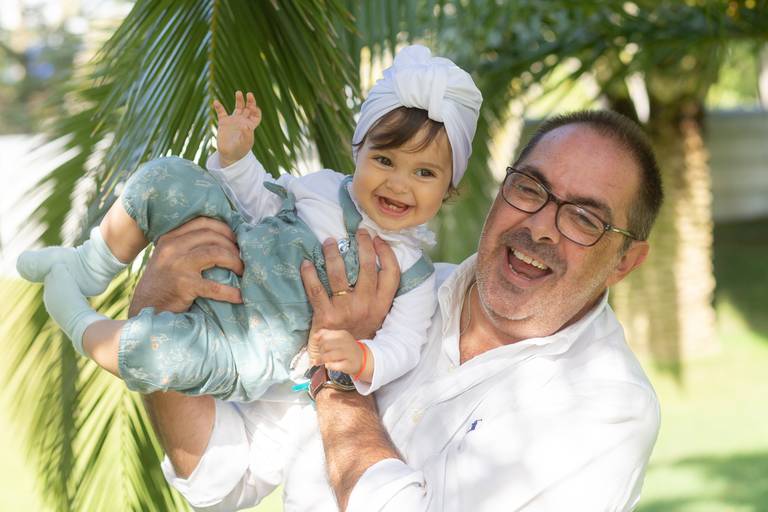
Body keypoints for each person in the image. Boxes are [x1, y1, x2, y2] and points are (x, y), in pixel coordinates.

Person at [131, 109, 663, 511]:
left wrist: (336, 373)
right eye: (530, 188)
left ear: (625, 261)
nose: (542, 225)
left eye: (585, 220)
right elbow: (221, 476)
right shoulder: (392, 294)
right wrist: (157, 307)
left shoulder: (608, 405)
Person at [15, 45, 482, 402]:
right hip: (230, 250)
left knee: (153, 353)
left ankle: (72, 315)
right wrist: (237, 158)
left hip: (249, 349)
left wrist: (363, 357)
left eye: (425, 173)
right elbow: (258, 203)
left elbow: (402, 345)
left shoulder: (412, 276)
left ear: (450, 187)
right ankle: (87, 266)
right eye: (385, 159)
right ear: (357, 153)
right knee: (167, 176)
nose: (400, 183)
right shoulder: (322, 189)